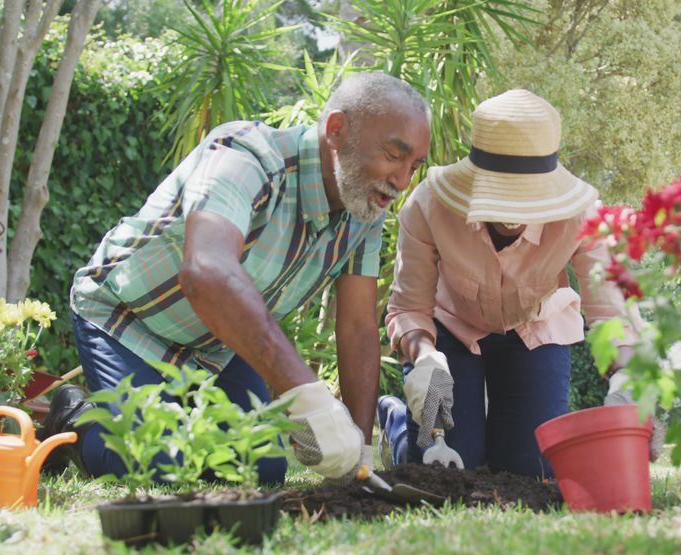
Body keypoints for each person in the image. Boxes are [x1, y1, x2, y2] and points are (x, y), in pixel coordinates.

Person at [41, 72, 431, 484]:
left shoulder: (364, 208)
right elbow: (207, 273)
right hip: (129, 320)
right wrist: (306, 395)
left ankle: (168, 426)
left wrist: (359, 455)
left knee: (259, 470)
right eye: (393, 155)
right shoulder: (247, 156)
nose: (402, 181)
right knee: (151, 464)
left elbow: (356, 328)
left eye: (414, 165)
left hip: (218, 344)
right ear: (337, 130)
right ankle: (74, 417)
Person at [377, 89, 659, 478]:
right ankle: (397, 426)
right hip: (451, 333)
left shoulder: (581, 217)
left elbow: (610, 310)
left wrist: (629, 380)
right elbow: (409, 308)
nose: (512, 216)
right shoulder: (429, 206)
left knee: (532, 469)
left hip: (534, 330)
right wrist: (425, 358)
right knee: (446, 468)